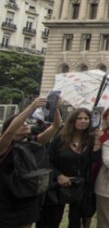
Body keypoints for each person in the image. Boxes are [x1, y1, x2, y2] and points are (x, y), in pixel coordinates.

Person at [39, 108, 103, 228]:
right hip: (57, 185)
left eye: (86, 118)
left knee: (76, 221)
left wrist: (97, 140)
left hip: (80, 186)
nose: (83, 121)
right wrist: (59, 175)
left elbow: (95, 159)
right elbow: (46, 160)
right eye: (79, 118)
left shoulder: (90, 140)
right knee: (52, 219)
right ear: (73, 121)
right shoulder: (60, 139)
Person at [0, 98, 50, 228]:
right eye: (22, 123)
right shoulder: (4, 146)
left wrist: (54, 109)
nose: (26, 124)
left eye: (28, 122)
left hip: (27, 196)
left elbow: (56, 126)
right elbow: (10, 132)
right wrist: (32, 107)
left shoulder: (33, 143)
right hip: (7, 199)